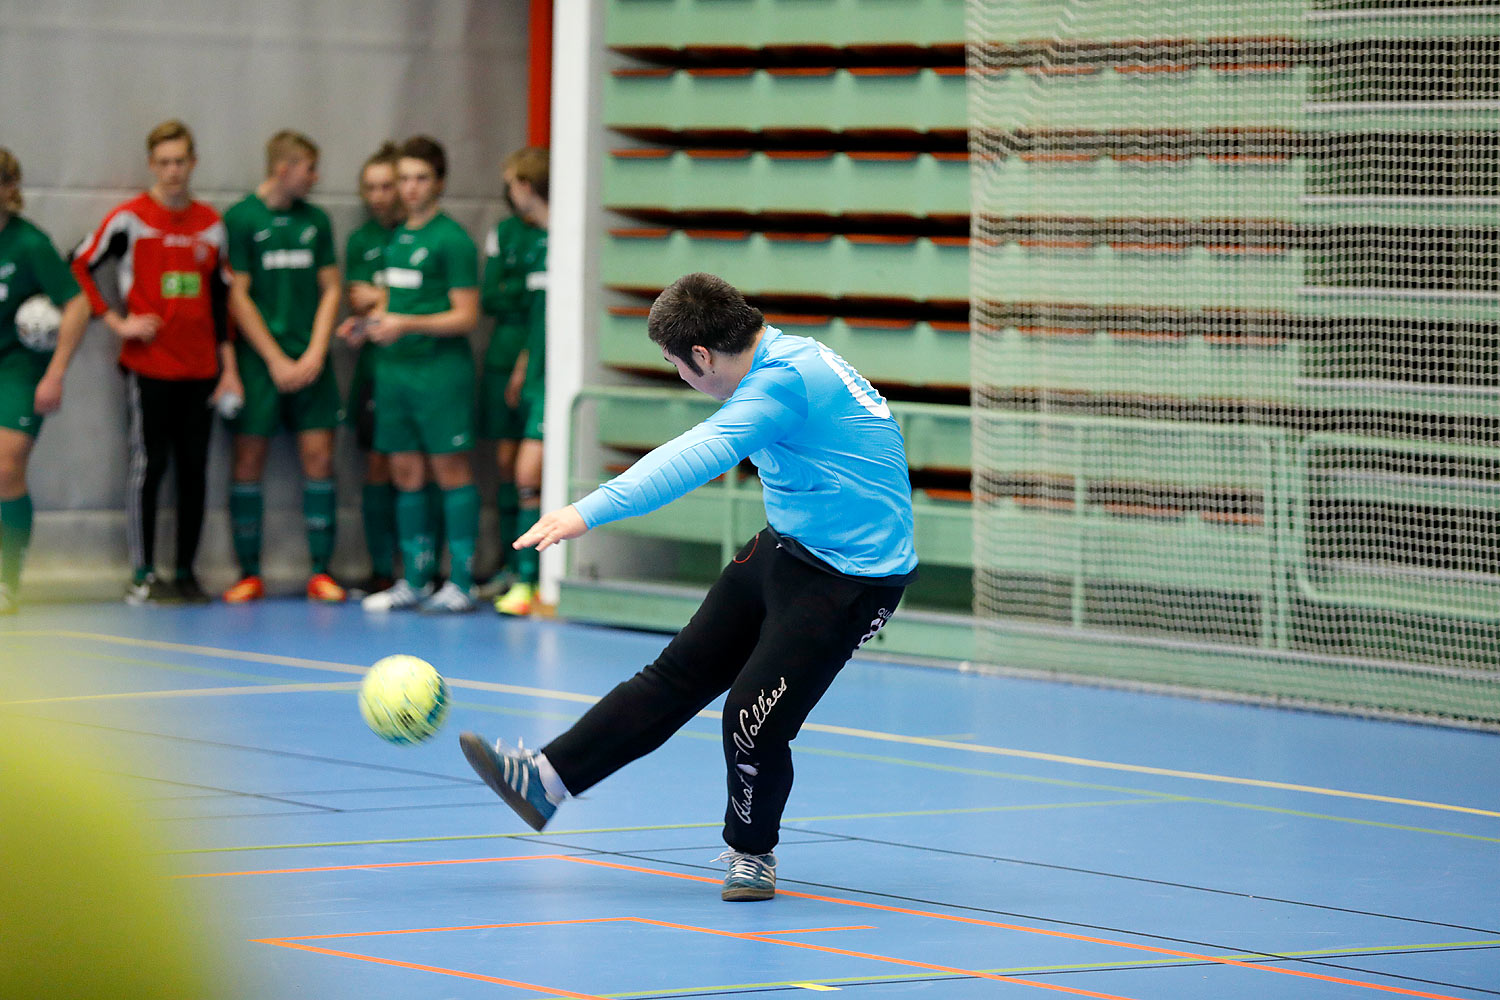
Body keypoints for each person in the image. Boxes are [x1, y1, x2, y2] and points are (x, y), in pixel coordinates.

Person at [460, 272, 918, 901]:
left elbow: (691, 457)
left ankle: (752, 855)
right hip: (787, 546)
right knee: (675, 674)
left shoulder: (781, 384)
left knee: (753, 717)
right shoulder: (787, 354)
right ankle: (546, 780)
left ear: (702, 356)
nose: (680, 376)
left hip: (851, 579)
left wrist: (583, 513)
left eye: (676, 363)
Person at [72, 119, 241, 605]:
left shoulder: (211, 224)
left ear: (193, 163)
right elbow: (80, 264)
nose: (172, 171)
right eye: (163, 162)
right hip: (149, 370)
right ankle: (143, 573)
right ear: (152, 165)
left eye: (180, 161)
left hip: (202, 372)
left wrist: (227, 366)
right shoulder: (130, 218)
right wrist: (115, 321)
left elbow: (220, 301)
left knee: (195, 471)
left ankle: (185, 572)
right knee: (148, 468)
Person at [342, 135, 481, 614]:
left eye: (421, 178)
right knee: (404, 473)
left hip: (440, 374)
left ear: (439, 183)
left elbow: (465, 316)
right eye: (404, 178)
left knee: (450, 470)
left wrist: (405, 325)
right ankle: (414, 580)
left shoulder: (452, 240)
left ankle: (461, 582)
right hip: (393, 373)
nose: (410, 187)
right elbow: (397, 302)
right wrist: (368, 324)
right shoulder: (396, 238)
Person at [220, 130, 344, 604]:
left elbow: (331, 287)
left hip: (311, 364)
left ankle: (320, 572)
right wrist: (273, 358)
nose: (314, 177)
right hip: (258, 365)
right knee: (248, 460)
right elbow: (237, 293)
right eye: (308, 168)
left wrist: (314, 352)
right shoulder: (241, 219)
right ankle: (248, 572)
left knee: (320, 459)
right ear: (282, 168)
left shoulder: (317, 221)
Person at [0, 149, 91, 614]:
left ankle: (6, 581)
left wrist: (54, 373)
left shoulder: (29, 244)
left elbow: (77, 304)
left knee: (6, 465)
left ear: (8, 190)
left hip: (15, 368)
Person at [479, 146, 548, 615]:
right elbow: (496, 297)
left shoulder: (562, 238)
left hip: (548, 372)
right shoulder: (509, 234)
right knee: (509, 466)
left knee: (528, 472)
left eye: (512, 181)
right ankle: (513, 571)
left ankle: (531, 580)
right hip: (524, 362)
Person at [340, 142, 404, 597]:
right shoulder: (361, 240)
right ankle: (383, 568)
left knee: (422, 467)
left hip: (422, 369)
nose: (380, 195)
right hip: (374, 369)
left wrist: (383, 300)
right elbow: (356, 299)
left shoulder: (421, 235)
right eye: (371, 188)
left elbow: (404, 300)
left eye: (388, 186)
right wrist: (379, 305)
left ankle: (420, 569)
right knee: (378, 464)